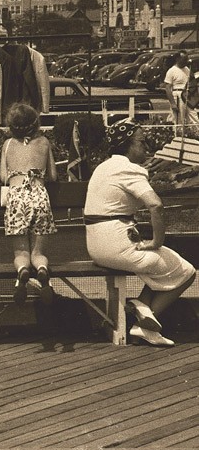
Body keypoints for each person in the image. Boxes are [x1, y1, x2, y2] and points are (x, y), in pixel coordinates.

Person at [84, 119, 196, 346]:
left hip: (96, 247)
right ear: (127, 145)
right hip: (117, 247)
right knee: (187, 272)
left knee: (163, 267)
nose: (147, 147)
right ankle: (142, 323)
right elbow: (155, 205)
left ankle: (143, 311)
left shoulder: (103, 167)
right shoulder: (129, 169)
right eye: (142, 142)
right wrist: (157, 241)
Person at [0, 103, 57, 304]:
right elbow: (53, 175)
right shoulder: (44, 142)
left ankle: (23, 270)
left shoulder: (8, 145)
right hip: (39, 196)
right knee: (38, 253)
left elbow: (3, 176)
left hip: (17, 199)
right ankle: (42, 269)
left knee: (21, 253)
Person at [163, 50, 191, 126]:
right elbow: (168, 88)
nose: (186, 61)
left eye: (187, 59)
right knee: (177, 118)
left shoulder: (187, 69)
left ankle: (193, 132)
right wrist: (172, 103)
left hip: (188, 96)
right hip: (177, 95)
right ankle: (175, 132)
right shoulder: (171, 71)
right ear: (178, 59)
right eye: (184, 59)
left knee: (192, 117)